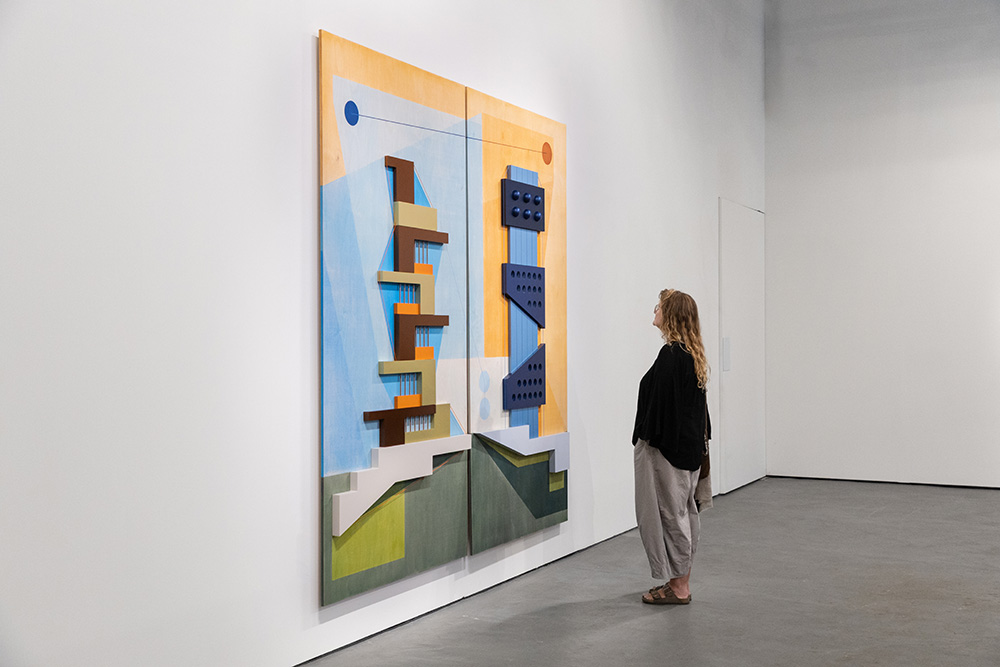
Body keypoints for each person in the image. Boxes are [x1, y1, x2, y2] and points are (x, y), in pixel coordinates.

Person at [632, 289, 711, 605]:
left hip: (668, 453)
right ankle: (680, 581)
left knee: (671, 516)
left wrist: (647, 440)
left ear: (671, 314)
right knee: (683, 513)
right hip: (688, 452)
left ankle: (679, 588)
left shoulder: (671, 356)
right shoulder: (692, 355)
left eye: (659, 307)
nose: (655, 312)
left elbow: (662, 409)